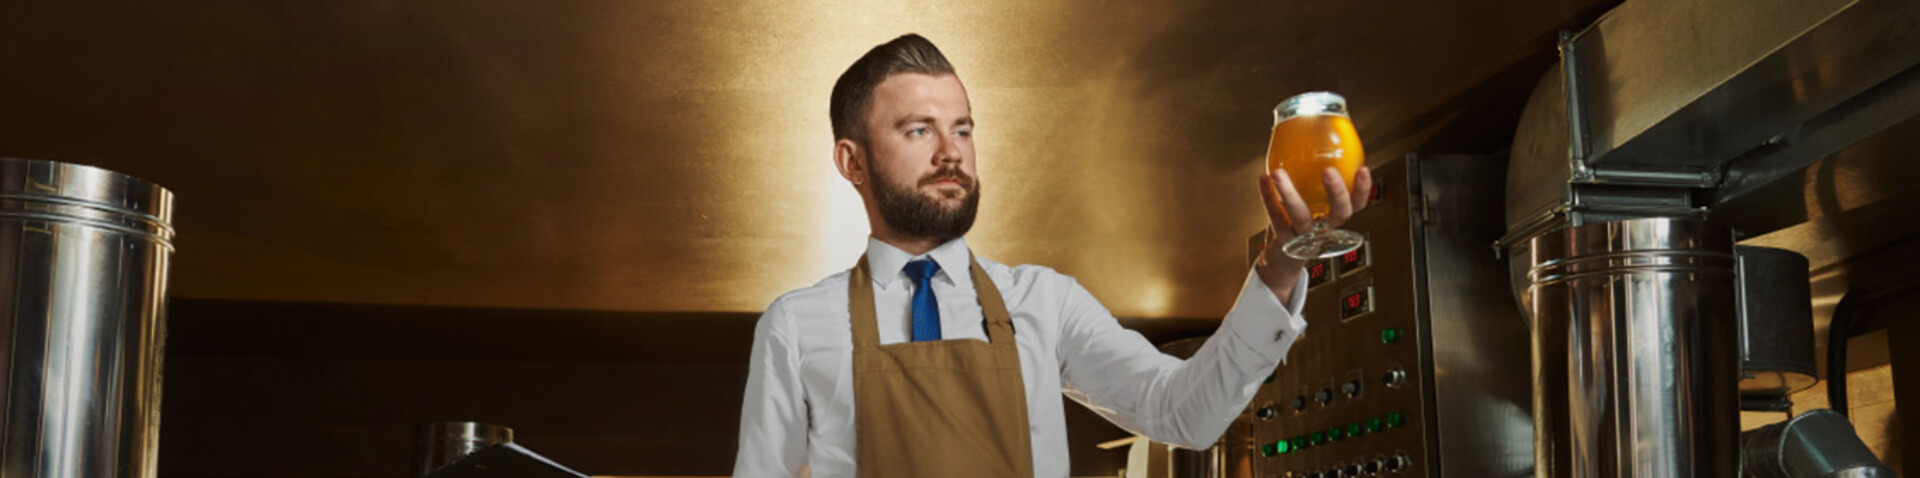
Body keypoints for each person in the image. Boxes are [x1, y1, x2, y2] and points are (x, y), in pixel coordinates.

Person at [732, 33, 1372, 478]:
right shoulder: (795, 328)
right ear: (852, 161)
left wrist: (1283, 262)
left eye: (962, 128)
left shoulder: (1044, 303)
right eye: (918, 130)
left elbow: (1187, 413)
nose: (951, 151)